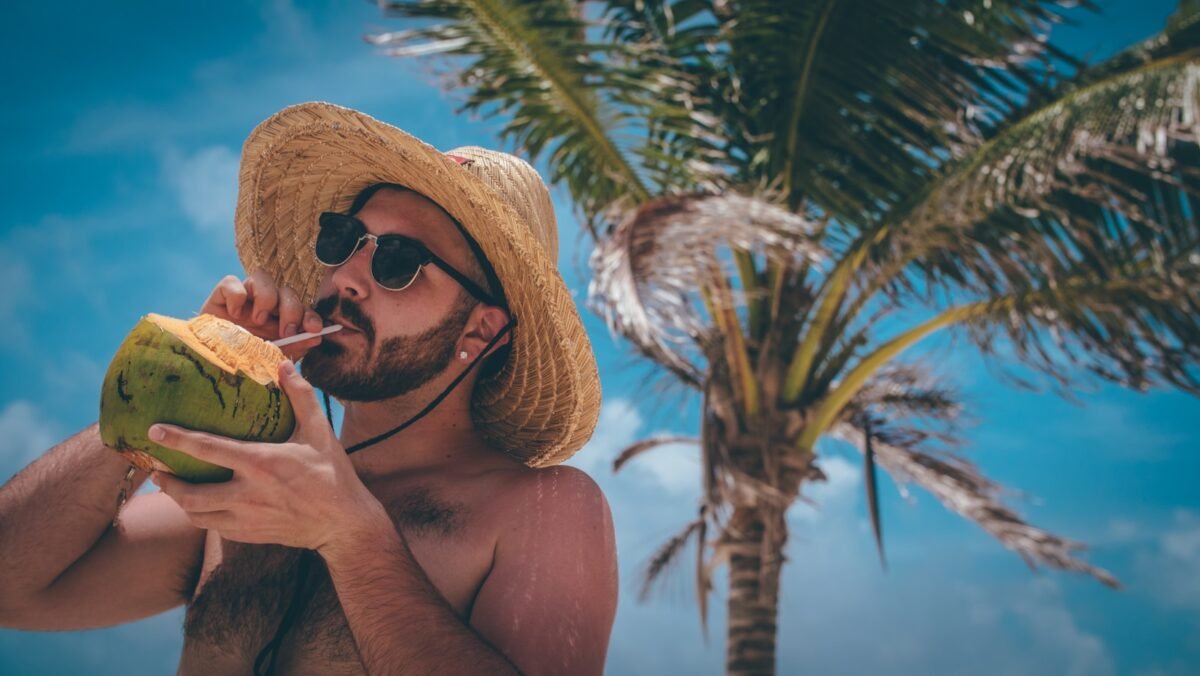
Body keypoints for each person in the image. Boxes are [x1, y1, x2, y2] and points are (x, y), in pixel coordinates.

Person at [0, 102, 616, 675]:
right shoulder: (248, 484)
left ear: (481, 331)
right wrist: (180, 381)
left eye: (399, 261)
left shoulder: (542, 505)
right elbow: (12, 590)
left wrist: (351, 536)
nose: (347, 276)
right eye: (343, 240)